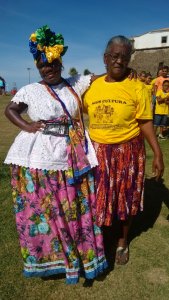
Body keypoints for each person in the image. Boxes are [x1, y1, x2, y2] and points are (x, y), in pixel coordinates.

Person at [4, 25, 108, 284]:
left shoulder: (75, 84)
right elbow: (10, 110)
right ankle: (57, 258)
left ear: (60, 62)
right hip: (42, 155)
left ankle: (81, 254)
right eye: (42, 66)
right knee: (49, 210)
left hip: (74, 153)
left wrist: (121, 69)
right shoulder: (31, 90)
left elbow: (99, 78)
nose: (47, 69)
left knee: (75, 204)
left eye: (51, 63)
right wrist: (27, 126)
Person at [83, 35, 164, 265]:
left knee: (126, 199)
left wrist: (157, 153)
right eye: (115, 56)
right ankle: (103, 237)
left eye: (124, 57)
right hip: (97, 154)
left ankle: (122, 241)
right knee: (100, 199)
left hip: (128, 152)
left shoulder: (138, 87)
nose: (119, 61)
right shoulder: (91, 87)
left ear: (129, 60)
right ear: (105, 58)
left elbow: (145, 122)